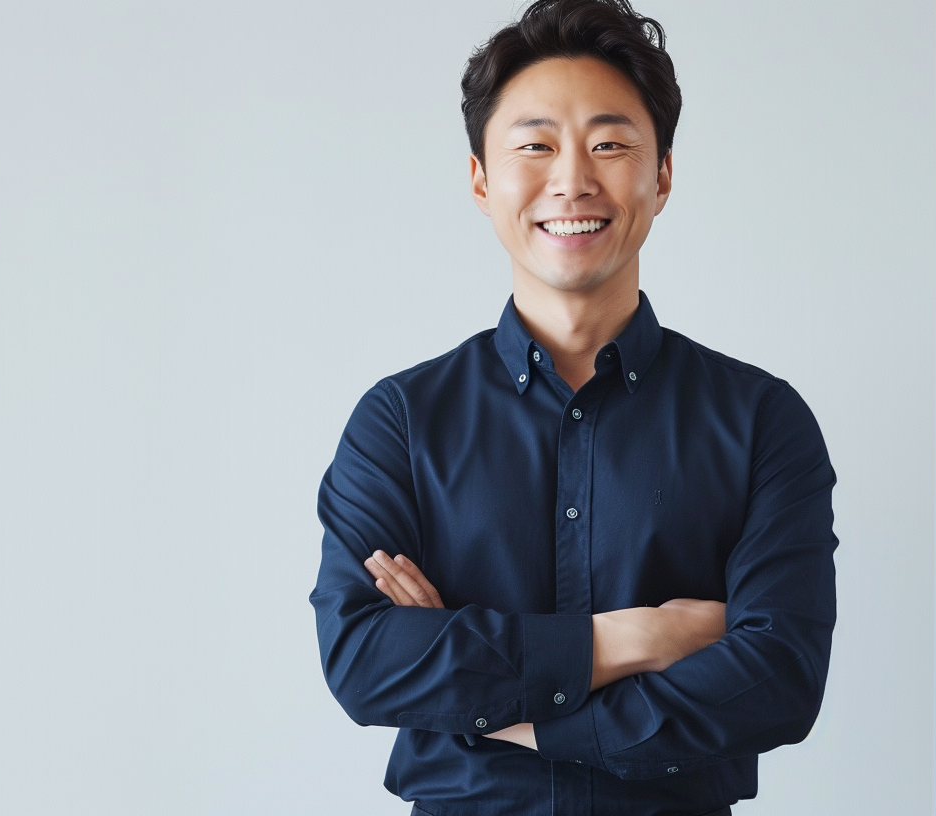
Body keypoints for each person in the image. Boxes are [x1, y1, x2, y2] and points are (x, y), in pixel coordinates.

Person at [309, 1, 837, 813]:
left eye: (610, 144)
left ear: (661, 175)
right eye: (535, 145)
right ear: (482, 180)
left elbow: (778, 679)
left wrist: (511, 708)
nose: (572, 180)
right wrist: (637, 639)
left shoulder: (761, 420)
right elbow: (365, 658)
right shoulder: (401, 422)